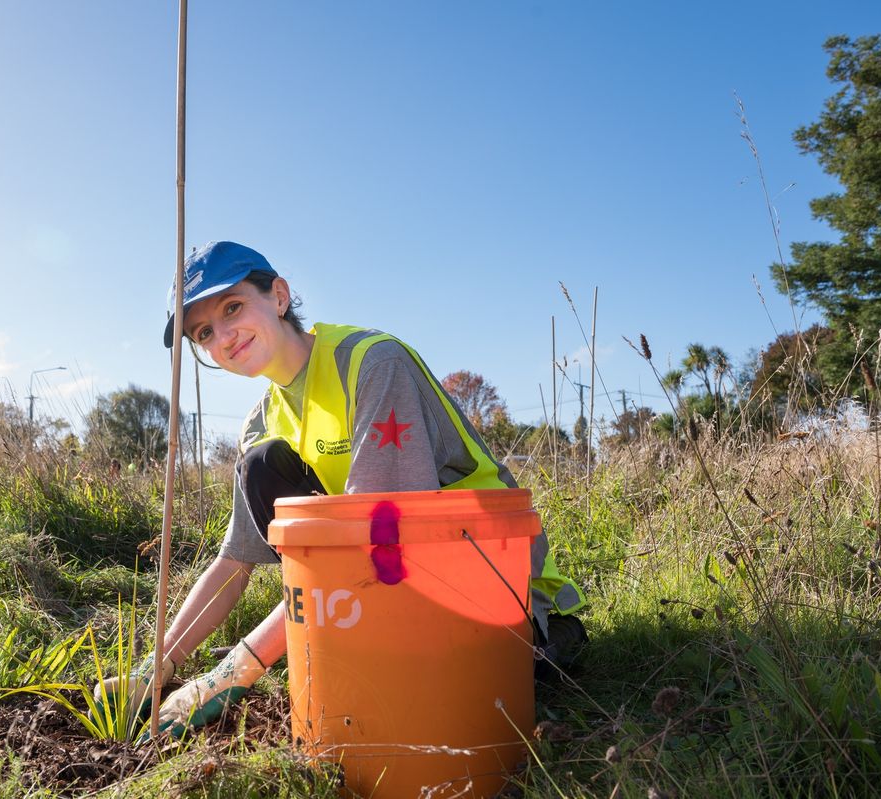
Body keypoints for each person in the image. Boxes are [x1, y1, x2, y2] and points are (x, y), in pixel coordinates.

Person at [97, 241, 587, 739]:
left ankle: (553, 633)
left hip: (490, 576)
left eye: (233, 307)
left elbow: (371, 542)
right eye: (204, 332)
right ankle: (355, 642)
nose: (223, 336)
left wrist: (234, 672)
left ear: (279, 296)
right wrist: (161, 663)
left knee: (456, 687)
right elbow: (235, 560)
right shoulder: (260, 424)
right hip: (385, 576)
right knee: (261, 466)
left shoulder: (372, 364)